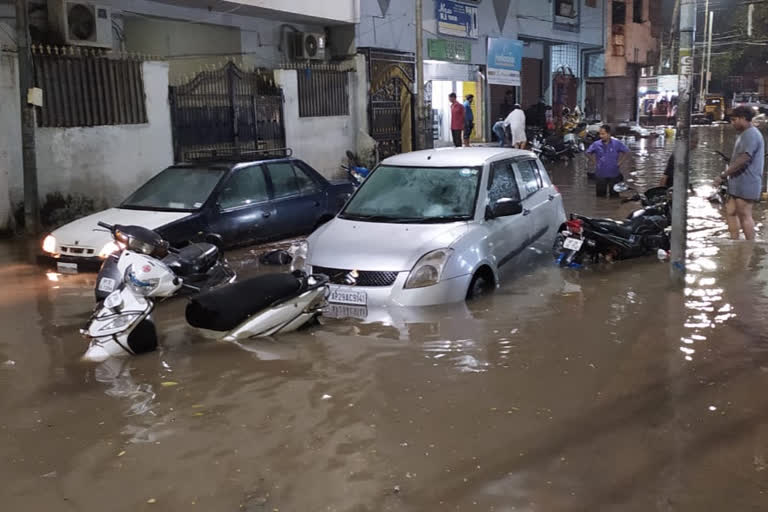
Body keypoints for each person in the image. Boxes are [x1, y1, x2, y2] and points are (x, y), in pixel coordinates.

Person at [714, 106, 766, 240]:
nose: (732, 123)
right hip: (737, 182)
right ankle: (735, 242)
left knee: (744, 214)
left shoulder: (751, 134)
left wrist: (723, 175)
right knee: (731, 211)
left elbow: (744, 159)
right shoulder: (744, 134)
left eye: (734, 120)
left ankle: (749, 245)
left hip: (747, 181)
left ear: (743, 118)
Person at [586, 125, 630, 198]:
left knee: (614, 197)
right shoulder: (596, 144)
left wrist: (620, 163)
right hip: (600, 174)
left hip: (614, 174)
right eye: (600, 134)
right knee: (600, 197)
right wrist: (595, 162)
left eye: (603, 134)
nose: (601, 136)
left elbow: (627, 152)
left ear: (609, 134)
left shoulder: (617, 143)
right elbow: (588, 153)